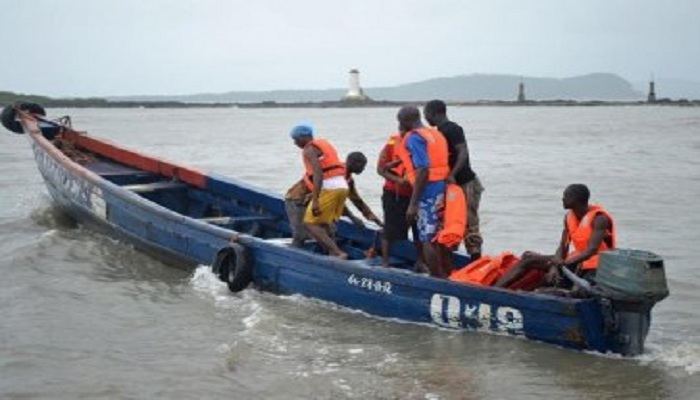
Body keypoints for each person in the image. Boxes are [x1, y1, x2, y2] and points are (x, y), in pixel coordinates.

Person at [494, 184, 616, 289]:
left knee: (557, 284)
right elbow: (562, 247)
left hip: (595, 267)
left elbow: (591, 250)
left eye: (566, 196)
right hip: (574, 262)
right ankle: (493, 290)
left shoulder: (599, 219)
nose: (562, 199)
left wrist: (561, 265)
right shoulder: (569, 217)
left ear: (576, 199)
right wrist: (556, 264)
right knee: (528, 258)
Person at [424, 100, 484, 261]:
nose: (425, 117)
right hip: (450, 187)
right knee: (450, 222)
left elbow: (463, 152)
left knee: (470, 223)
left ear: (433, 113)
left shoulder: (453, 129)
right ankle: (449, 259)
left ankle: (475, 260)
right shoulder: (438, 133)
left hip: (465, 182)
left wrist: (452, 173)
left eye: (426, 114)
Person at [395, 106, 451, 277]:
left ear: (404, 121)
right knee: (439, 235)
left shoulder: (414, 138)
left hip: (428, 190)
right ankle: (446, 274)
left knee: (426, 237)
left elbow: (423, 169)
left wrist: (413, 203)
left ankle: (436, 279)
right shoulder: (435, 134)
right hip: (442, 187)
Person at [289, 122, 350, 259]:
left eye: (296, 139)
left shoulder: (310, 149)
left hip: (330, 187)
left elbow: (318, 173)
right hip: (342, 186)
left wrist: (315, 199)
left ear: (305, 136)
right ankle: (332, 251)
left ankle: (337, 252)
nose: (295, 143)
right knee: (324, 222)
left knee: (310, 223)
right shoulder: (323, 144)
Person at [377, 132, 423, 268]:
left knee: (419, 230)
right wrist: (399, 180)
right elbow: (380, 169)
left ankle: (420, 261)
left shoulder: (422, 145)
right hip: (394, 193)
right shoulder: (391, 145)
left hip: (417, 194)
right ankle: (385, 261)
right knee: (390, 228)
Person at [343, 151, 383, 229]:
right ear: (352, 163)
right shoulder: (339, 175)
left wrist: (373, 217)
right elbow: (337, 202)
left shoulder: (349, 180)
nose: (363, 169)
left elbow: (356, 200)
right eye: (362, 165)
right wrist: (353, 218)